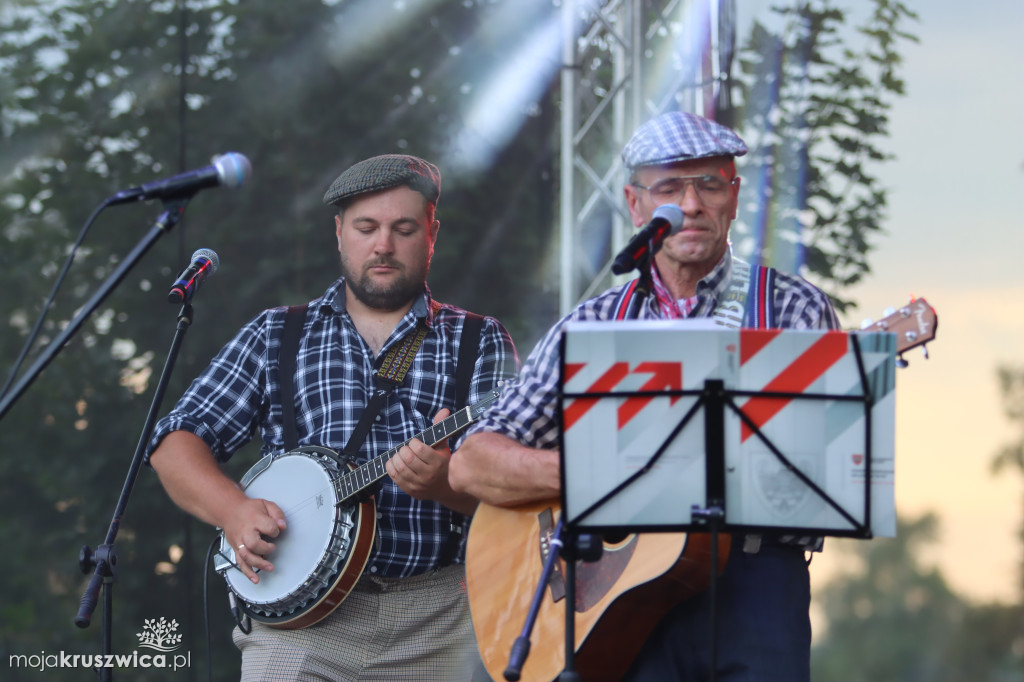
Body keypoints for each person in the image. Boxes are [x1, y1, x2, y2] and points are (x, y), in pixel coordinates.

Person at [450, 111, 839, 681]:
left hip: (756, 583)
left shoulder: (791, 310)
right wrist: (596, 475)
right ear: (636, 206)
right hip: (620, 596)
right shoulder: (590, 327)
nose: (692, 204)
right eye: (669, 189)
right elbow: (470, 463)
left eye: (709, 184)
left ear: (734, 196)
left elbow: (824, 478)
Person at [147, 154, 518, 681]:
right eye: (366, 227)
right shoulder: (277, 333)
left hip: (446, 619)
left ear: (432, 233)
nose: (383, 245)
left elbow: (516, 490)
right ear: (339, 232)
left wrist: (446, 485)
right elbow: (173, 443)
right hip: (297, 628)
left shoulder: (480, 341)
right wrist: (233, 510)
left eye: (403, 228)